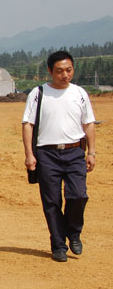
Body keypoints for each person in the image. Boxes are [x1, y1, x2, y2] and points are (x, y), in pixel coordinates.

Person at [22, 50, 96, 262]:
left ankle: (73, 232)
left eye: (68, 70)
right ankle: (58, 245)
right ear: (50, 71)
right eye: (59, 71)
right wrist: (29, 154)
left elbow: (88, 123)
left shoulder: (80, 93)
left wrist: (91, 151)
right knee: (52, 201)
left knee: (78, 195)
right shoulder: (38, 94)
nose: (65, 75)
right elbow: (28, 124)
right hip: (47, 154)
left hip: (74, 152)